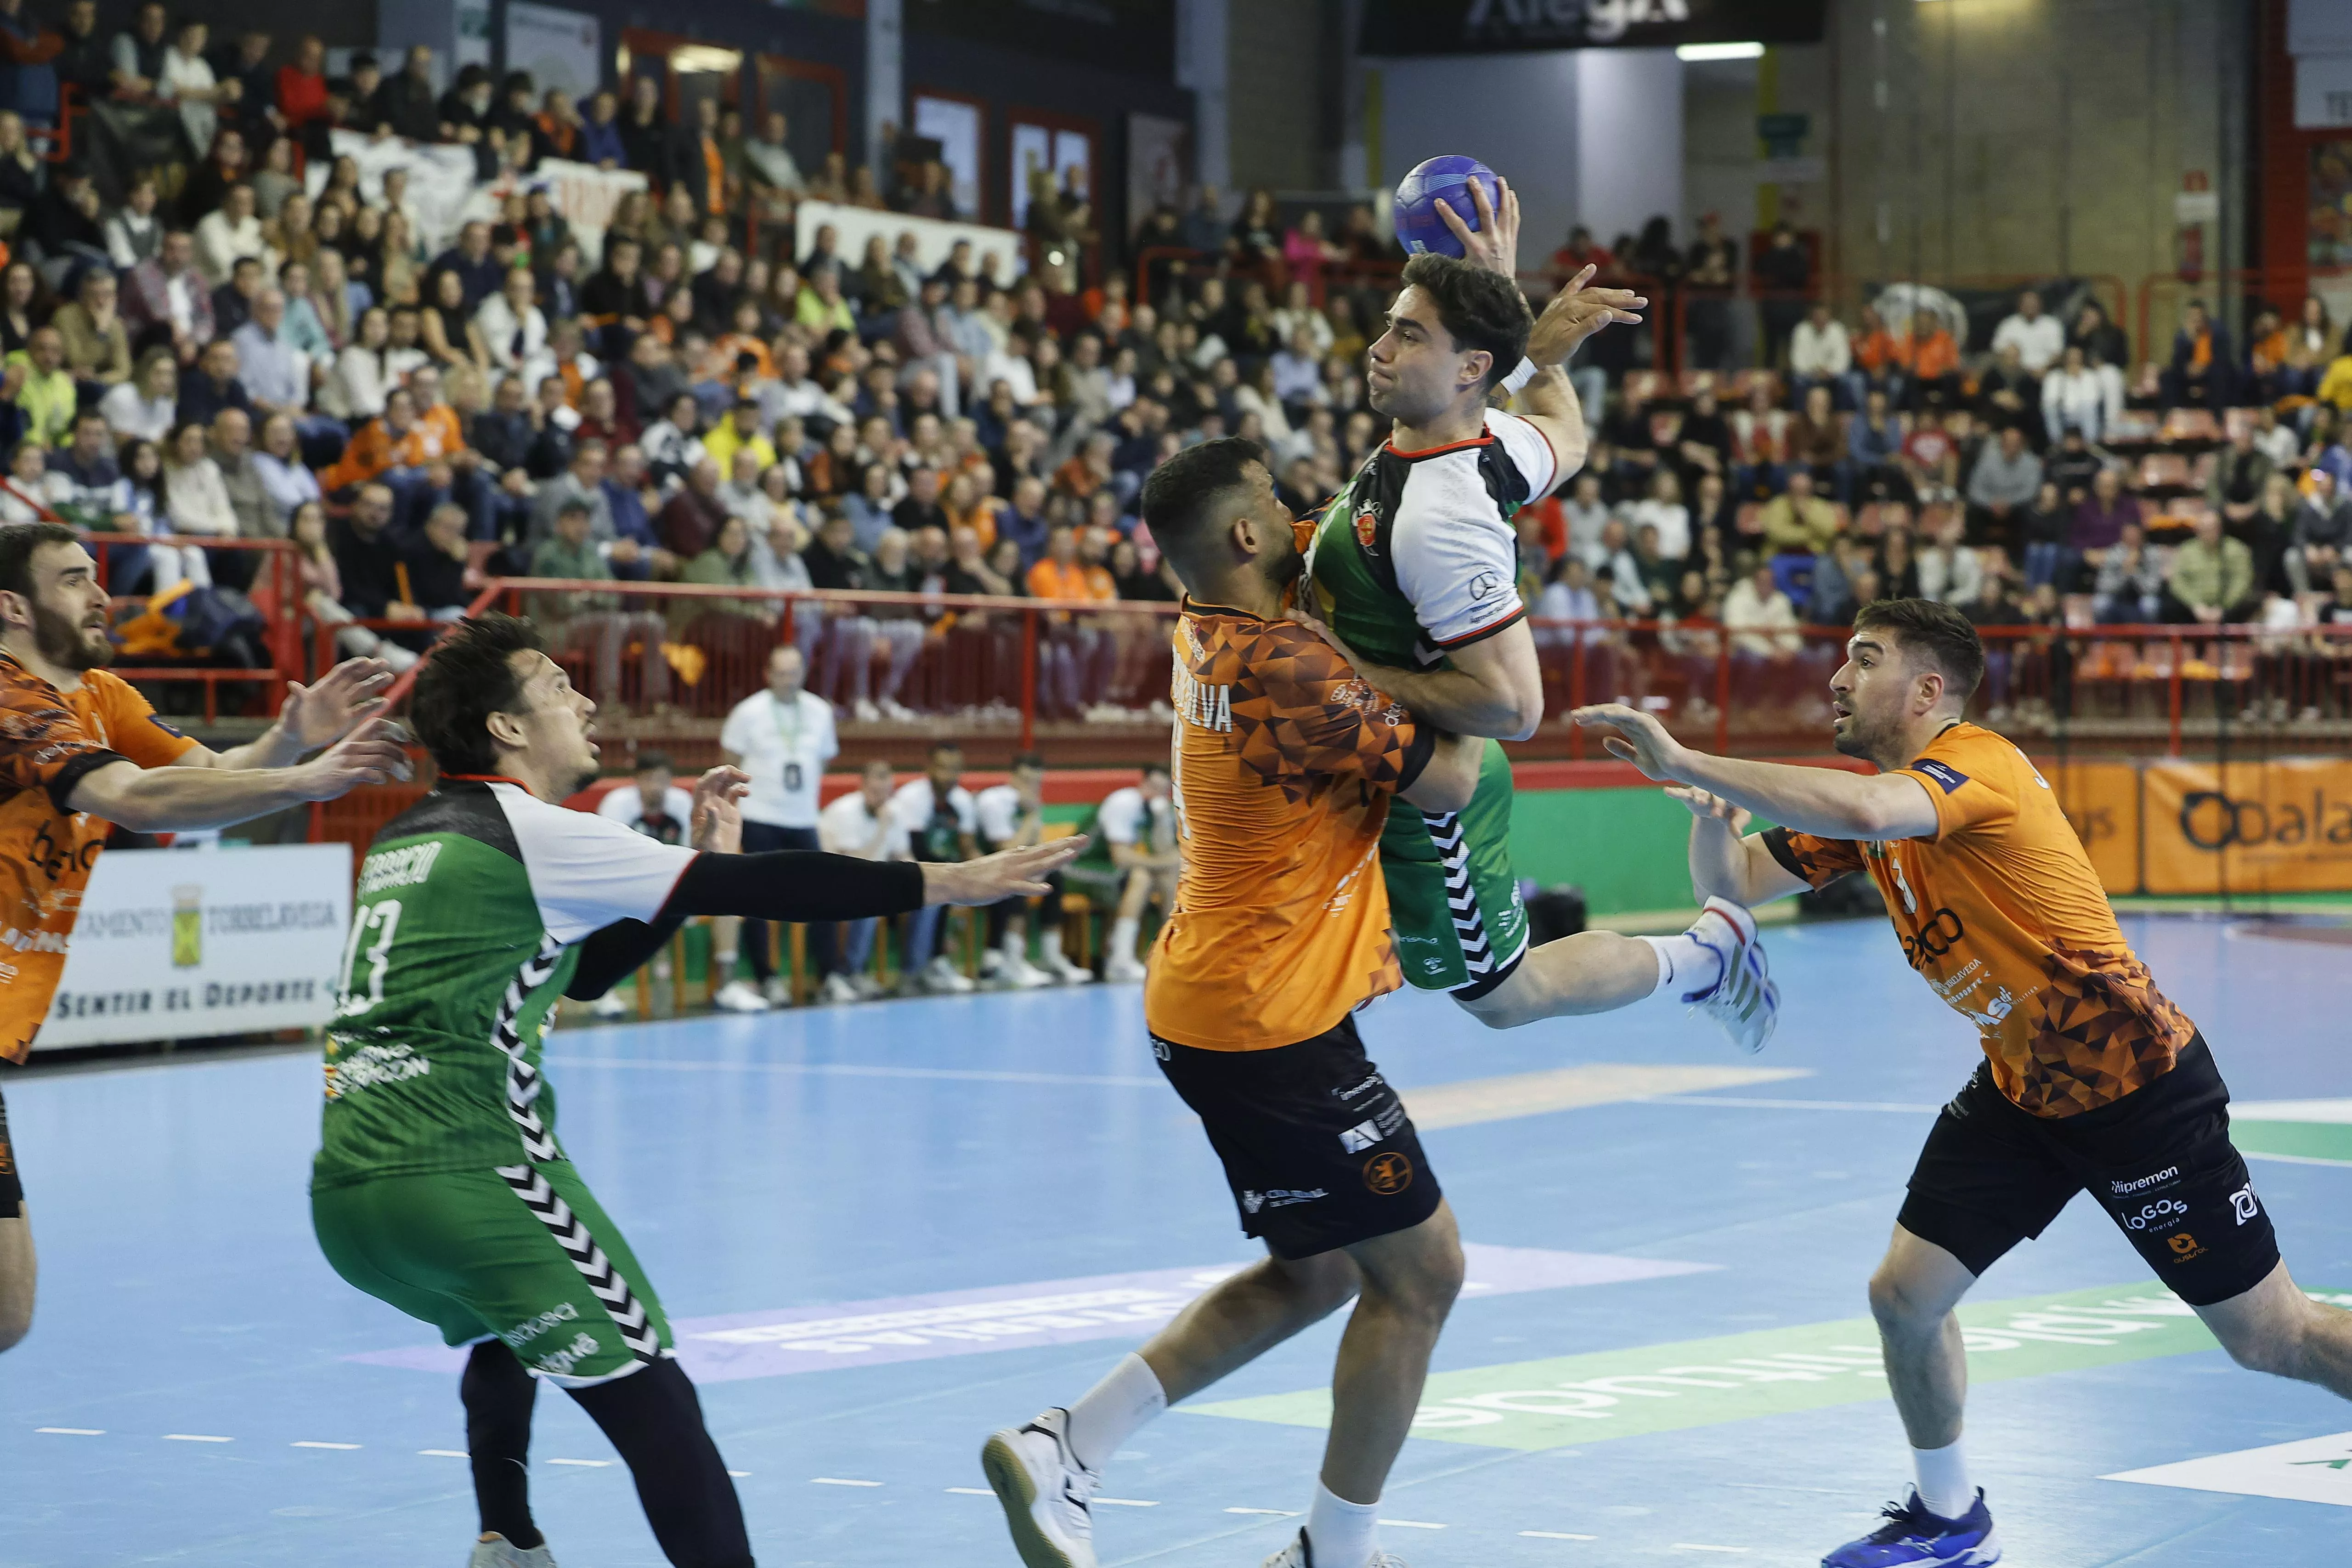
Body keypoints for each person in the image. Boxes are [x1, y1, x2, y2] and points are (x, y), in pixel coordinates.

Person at [1576, 597, 2352, 1568]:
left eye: (1864, 659)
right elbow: (1729, 882)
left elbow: (1863, 809)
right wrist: (1704, 812)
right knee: (1904, 1296)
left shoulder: (1973, 767)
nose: (1836, 677)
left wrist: (1686, 754)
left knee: (2272, 1338)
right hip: (2020, 1090)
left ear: (1927, 688)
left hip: (2137, 1092)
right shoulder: (1875, 802)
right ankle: (1949, 1517)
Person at [310, 611, 1078, 1568]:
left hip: (351, 1195)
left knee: (505, 1324)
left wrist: (691, 859)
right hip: (466, 1170)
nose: (585, 699)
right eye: (556, 686)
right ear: (505, 727)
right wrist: (950, 879)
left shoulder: (408, 838)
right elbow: (774, 886)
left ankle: (507, 1533)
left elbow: (585, 973)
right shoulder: (533, 829)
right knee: (660, 1402)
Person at [982, 438, 1495, 1568]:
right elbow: (1458, 771)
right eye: (1274, 498)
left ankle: (1069, 1441)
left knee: (1317, 1267)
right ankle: (1332, 1553)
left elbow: (1342, 527)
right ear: (1247, 537)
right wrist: (1395, 660)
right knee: (1422, 1275)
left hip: (1222, 997)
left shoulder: (1206, 617)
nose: (1296, 508)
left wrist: (1508, 363)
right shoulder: (1288, 667)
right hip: (1269, 1017)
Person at [1300, 180, 1775, 1044]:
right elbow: (1569, 431)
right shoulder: (1482, 440)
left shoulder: (1444, 515)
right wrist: (1527, 338)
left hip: (1431, 794)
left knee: (1502, 998)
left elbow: (1516, 708)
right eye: (1389, 323)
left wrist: (1342, 666)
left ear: (1470, 369)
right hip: (1378, 756)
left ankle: (1709, 953)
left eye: (1408, 335)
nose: (1379, 348)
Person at [0, 521, 407, 1357]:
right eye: (74, 579)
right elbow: (138, 800)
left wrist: (294, 737)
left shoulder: (101, 697)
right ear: (13, 605)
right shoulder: (8, 700)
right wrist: (309, 779)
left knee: (7, 1308)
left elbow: (211, 775)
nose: (102, 593)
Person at [715, 644, 839, 1011]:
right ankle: (768, 977)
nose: (789, 680)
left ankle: (829, 975)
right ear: (768, 674)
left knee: (824, 894)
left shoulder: (819, 711)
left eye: (794, 672)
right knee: (759, 897)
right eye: (781, 673)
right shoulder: (748, 712)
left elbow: (824, 760)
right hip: (761, 816)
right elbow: (729, 764)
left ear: (804, 673)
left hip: (803, 817)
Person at [971, 752, 1091, 989]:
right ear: (1012, 778)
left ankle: (1051, 954)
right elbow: (1007, 851)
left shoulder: (1031, 805)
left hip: (1009, 866)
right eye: (1026, 780)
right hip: (982, 868)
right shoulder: (994, 802)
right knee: (1018, 878)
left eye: (1037, 782)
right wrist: (1032, 816)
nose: (1032, 787)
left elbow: (1035, 848)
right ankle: (1011, 961)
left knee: (1054, 876)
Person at [890, 741, 981, 996]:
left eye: (955, 769)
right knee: (932, 894)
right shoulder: (911, 798)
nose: (949, 776)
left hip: (948, 874)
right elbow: (915, 851)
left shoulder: (962, 801)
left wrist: (988, 869)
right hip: (907, 870)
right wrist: (954, 874)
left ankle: (941, 961)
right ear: (928, 767)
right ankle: (913, 971)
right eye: (943, 768)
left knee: (986, 889)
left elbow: (967, 846)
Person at [814, 758, 908, 1003]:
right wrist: (883, 829)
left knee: (928, 897)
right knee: (870, 897)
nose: (880, 798)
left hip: (868, 881)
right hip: (827, 881)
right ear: (862, 786)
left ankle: (916, 972)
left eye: (885, 792)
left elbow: (904, 856)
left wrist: (920, 879)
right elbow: (854, 864)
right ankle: (851, 972)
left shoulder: (894, 812)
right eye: (875, 792)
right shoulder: (846, 811)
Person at [1094, 762, 1179, 984]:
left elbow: (1166, 854)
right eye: (1152, 787)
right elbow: (1120, 858)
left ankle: (1172, 954)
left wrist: (1161, 820)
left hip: (1125, 872)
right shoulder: (1124, 803)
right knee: (1142, 877)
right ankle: (1120, 960)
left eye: (1162, 790)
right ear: (1141, 783)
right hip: (1088, 866)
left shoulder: (1159, 811)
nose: (1156, 794)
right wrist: (1164, 863)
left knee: (1171, 878)